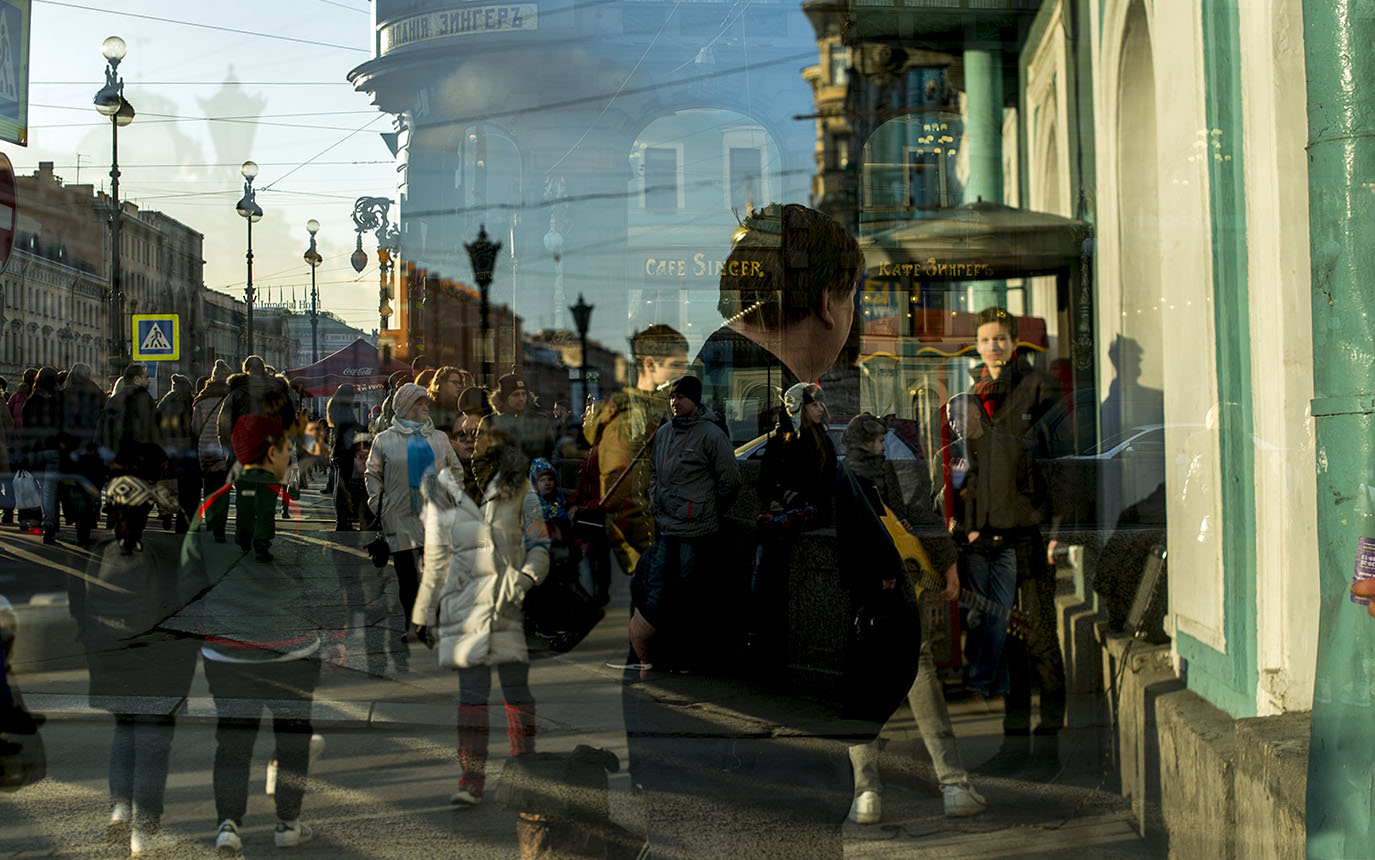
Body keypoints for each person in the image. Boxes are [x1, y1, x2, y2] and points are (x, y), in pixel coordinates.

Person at [624, 204, 875, 860]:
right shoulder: (756, 409)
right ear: (828, 301)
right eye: (853, 300)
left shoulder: (719, 395)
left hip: (722, 737)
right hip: (753, 743)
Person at [174, 414, 346, 855]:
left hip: (227, 654)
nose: (291, 454)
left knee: (232, 741)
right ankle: (287, 823)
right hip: (291, 652)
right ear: (270, 453)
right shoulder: (292, 510)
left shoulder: (211, 508)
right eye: (287, 448)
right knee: (292, 739)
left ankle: (228, 825)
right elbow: (321, 581)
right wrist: (336, 633)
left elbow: (188, 580)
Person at [839, 412, 985, 824]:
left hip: (857, 590)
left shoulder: (836, 469)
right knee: (918, 666)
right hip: (900, 582)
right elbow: (922, 514)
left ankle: (866, 792)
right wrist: (948, 566)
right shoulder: (899, 460)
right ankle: (954, 784)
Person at [413, 428, 550, 806]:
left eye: (480, 435)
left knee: (515, 692)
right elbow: (435, 556)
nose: (471, 442)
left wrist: (522, 582)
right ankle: (471, 779)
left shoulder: (520, 490)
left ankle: (525, 771)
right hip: (463, 610)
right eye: (462, 435)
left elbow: (540, 546)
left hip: (506, 608)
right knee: (471, 697)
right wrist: (425, 610)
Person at [965, 305, 1068, 779]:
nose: (994, 347)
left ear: (1015, 343)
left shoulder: (1040, 387)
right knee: (1008, 647)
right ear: (978, 345)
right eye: (987, 339)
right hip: (989, 540)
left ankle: (1048, 751)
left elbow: (1061, 463)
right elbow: (970, 470)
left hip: (1030, 536)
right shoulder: (973, 396)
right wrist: (969, 524)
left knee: (1042, 643)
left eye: (1002, 338)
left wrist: (1059, 530)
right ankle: (1015, 747)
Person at [366, 383, 457, 672]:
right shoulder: (384, 439)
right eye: (419, 403)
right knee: (407, 577)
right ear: (404, 407)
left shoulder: (439, 438)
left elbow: (454, 470)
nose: (425, 407)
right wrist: (379, 502)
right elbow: (372, 473)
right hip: (400, 516)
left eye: (426, 403)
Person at [585, 324, 686, 574]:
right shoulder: (629, 420)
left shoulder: (663, 408)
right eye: (675, 366)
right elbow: (624, 495)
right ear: (650, 365)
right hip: (656, 549)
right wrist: (653, 553)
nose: (683, 373)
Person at [101, 364, 166, 555]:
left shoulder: (113, 400)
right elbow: (154, 431)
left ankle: (122, 534)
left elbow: (104, 431)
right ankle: (134, 535)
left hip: (117, 459)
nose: (148, 380)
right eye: (146, 377)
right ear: (136, 379)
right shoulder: (145, 400)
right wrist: (161, 455)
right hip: (141, 459)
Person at [62, 363, 110, 546]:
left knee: (72, 486)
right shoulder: (97, 394)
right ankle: (90, 515)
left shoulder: (64, 394)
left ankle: (76, 518)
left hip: (71, 449)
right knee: (92, 484)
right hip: (92, 448)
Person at [19, 367, 62, 542]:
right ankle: (50, 524)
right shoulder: (58, 401)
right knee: (49, 491)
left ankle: (41, 519)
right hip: (53, 450)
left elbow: (25, 431)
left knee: (40, 488)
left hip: (35, 451)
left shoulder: (30, 402)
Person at [192, 361, 233, 544]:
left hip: (205, 449)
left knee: (208, 487)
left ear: (213, 376)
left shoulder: (202, 399)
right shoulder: (231, 398)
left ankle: (209, 520)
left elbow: (195, 428)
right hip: (224, 450)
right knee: (223, 489)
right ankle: (220, 528)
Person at [478, 373, 556, 463]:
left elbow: (552, 453)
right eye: (515, 395)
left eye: (524, 394)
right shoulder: (489, 422)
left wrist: (546, 473)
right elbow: (480, 457)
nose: (521, 398)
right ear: (504, 398)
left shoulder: (540, 421)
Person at [156, 374, 199, 533]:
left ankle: (167, 514)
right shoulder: (190, 401)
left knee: (168, 483)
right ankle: (183, 522)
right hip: (187, 450)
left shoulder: (165, 402)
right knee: (187, 489)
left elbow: (156, 425)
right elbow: (195, 427)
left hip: (168, 450)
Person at [427, 366, 469, 436]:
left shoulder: (462, 409)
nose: (459, 386)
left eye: (460, 383)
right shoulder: (427, 408)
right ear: (441, 383)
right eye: (454, 382)